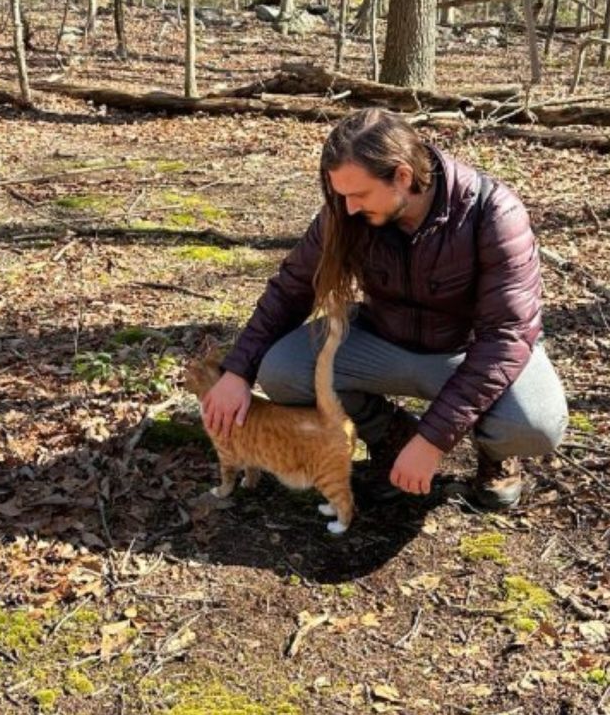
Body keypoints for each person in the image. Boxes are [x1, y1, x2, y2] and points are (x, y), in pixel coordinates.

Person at [200, 107, 568, 512]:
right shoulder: (347, 211)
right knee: (281, 370)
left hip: (467, 350)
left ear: (403, 176)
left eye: (359, 194)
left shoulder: (493, 213)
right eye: (342, 196)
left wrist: (433, 440)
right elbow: (291, 288)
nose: (350, 208)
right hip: (382, 338)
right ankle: (390, 434)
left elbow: (506, 337)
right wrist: (238, 371)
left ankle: (495, 456)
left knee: (535, 423)